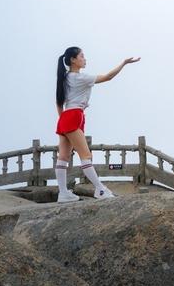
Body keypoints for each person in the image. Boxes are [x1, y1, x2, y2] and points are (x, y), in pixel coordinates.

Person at [54, 46, 141, 202]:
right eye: (82, 56)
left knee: (64, 157)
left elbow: (59, 103)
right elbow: (108, 77)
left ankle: (63, 193)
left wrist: (64, 122)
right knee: (86, 156)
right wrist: (124, 63)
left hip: (66, 116)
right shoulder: (79, 78)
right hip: (74, 116)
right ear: (73, 60)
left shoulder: (64, 77)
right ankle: (100, 189)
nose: (84, 58)